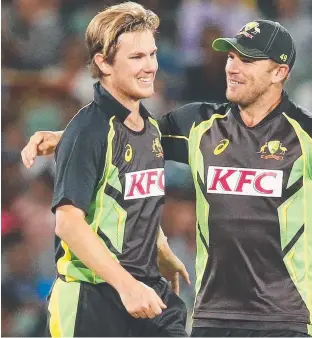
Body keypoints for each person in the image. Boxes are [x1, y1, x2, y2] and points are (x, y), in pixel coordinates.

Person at [22, 20, 312, 337]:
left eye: (246, 58)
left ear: (280, 71)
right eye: (231, 55)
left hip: (285, 318)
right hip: (212, 317)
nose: (232, 65)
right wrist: (64, 138)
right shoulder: (198, 123)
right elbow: (130, 137)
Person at [21, 2, 190, 337]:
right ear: (103, 63)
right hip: (91, 299)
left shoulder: (149, 127)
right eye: (136, 57)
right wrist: (127, 285)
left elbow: (133, 202)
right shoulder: (89, 131)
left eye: (152, 54)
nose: (150, 67)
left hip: (145, 293)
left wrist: (158, 248)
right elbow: (68, 223)